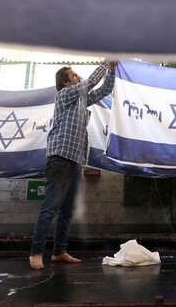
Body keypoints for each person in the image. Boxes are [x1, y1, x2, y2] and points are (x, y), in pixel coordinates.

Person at [29, 61, 117, 270]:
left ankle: (59, 252)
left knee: (67, 210)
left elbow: (104, 88)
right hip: (60, 157)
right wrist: (106, 62)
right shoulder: (65, 95)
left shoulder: (81, 99)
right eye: (74, 75)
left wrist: (112, 71)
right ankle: (36, 252)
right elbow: (90, 83)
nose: (78, 77)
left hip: (75, 160)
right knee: (50, 207)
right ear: (66, 82)